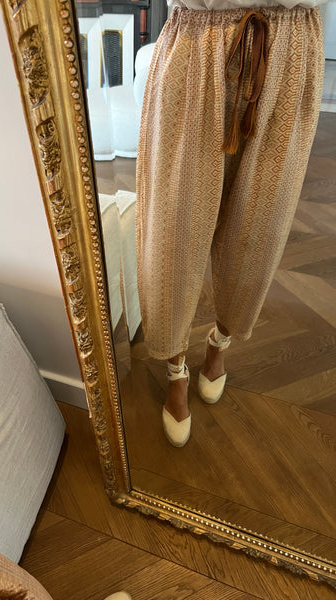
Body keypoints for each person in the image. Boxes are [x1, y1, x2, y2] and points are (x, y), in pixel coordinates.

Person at [136, 0, 326, 447]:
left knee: (261, 225)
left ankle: (220, 343)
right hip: (196, 42)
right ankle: (176, 368)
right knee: (173, 228)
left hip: (290, 46)